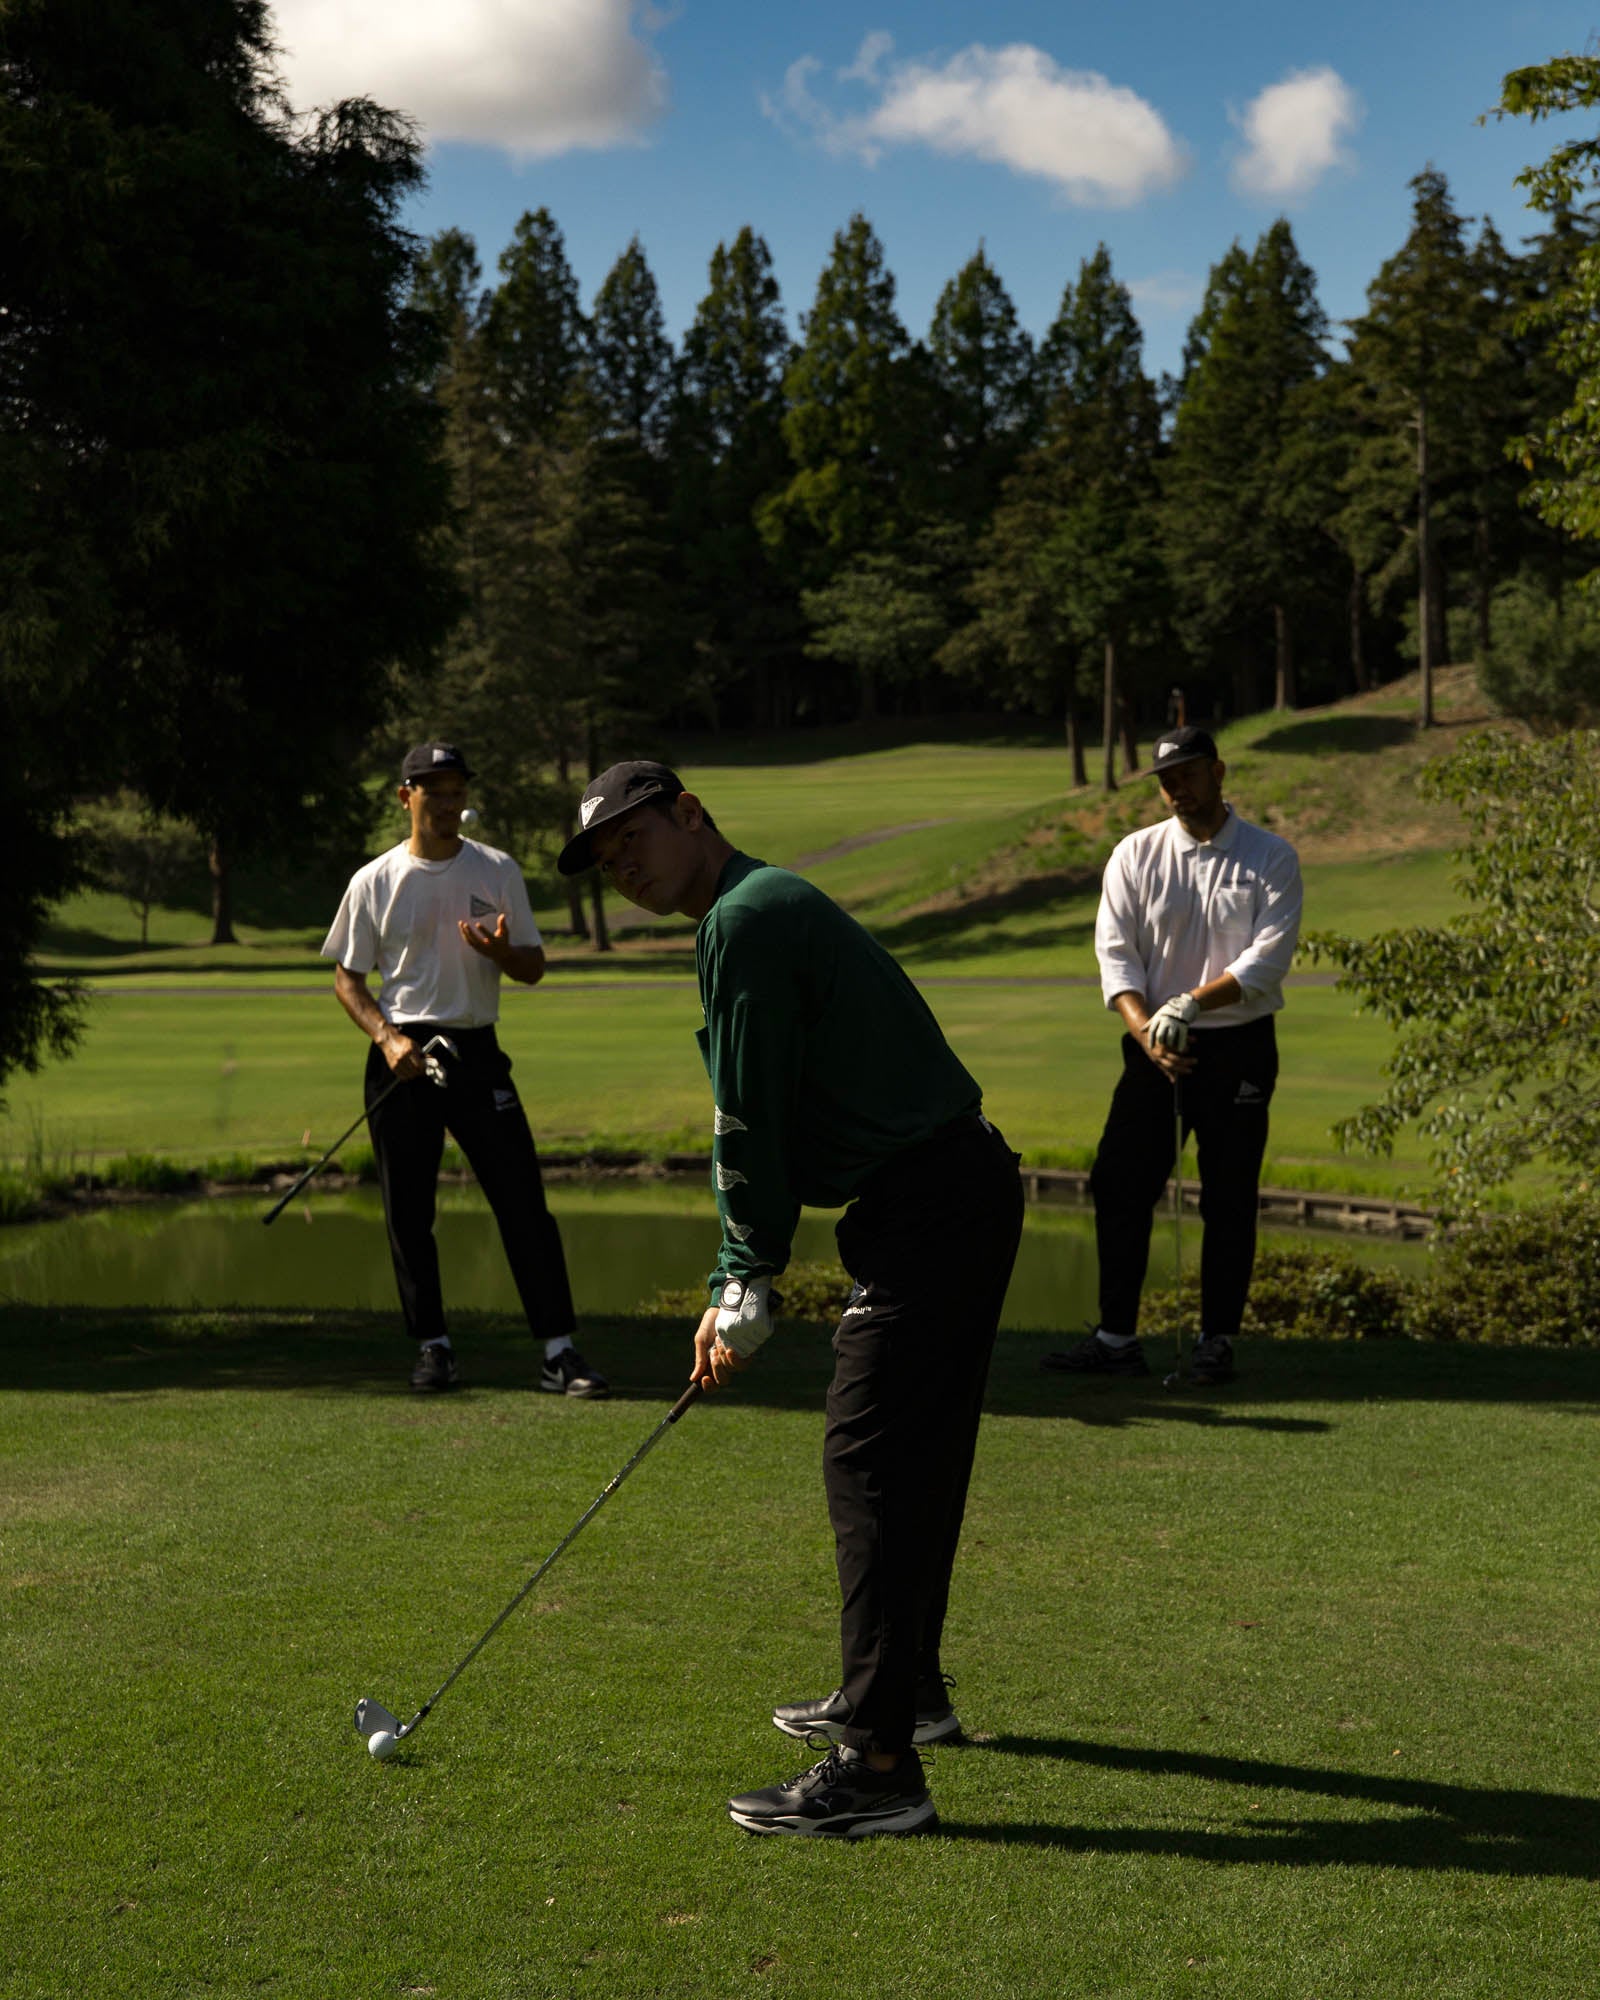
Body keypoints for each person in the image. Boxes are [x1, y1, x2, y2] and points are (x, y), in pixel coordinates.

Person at [559, 761, 1024, 1839]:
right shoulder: (752, 906)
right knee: (912, 1453)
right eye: (605, 859)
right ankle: (903, 1694)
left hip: (930, 1207)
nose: (623, 867)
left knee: (866, 1455)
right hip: (952, 1192)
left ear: (689, 812)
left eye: (633, 838)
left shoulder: (745, 918)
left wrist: (741, 1273)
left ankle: (876, 1765)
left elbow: (748, 1117)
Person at [323, 742, 606, 1399]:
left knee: (522, 1204)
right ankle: (434, 1347)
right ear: (406, 797)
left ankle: (559, 1352)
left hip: (476, 1049)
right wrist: (387, 1038)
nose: (448, 804)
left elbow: (533, 967)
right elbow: (347, 977)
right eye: (434, 792)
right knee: (408, 1211)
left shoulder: (497, 870)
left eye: (456, 793)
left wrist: (502, 951)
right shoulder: (374, 880)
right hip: (403, 1056)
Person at [1043, 725, 1302, 1387]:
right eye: (1165, 780)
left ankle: (1216, 1342)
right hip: (1153, 1047)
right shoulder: (1136, 854)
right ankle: (1116, 1339)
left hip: (1238, 1044)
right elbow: (1117, 957)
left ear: (1219, 772)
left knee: (1229, 1196)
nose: (1175, 789)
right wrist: (1148, 1031)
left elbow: (1267, 962)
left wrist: (1190, 1003)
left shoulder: (1271, 856)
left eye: (1186, 774)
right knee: (1119, 1181)